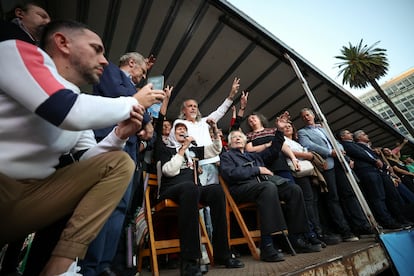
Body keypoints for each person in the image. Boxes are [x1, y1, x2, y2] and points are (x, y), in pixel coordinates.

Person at [0, 20, 165, 275]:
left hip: (30, 198)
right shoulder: (18, 52)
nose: (103, 60)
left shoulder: (77, 99)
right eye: (96, 49)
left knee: (119, 164)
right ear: (62, 42)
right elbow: (63, 109)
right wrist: (131, 102)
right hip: (4, 184)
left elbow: (88, 160)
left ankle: (61, 266)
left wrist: (119, 135)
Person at [155, 88, 244, 275]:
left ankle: (222, 254)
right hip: (171, 189)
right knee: (190, 187)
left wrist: (214, 131)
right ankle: (189, 261)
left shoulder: (193, 150)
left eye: (184, 130)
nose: (181, 131)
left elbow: (215, 150)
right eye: (178, 129)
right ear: (172, 134)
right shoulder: (165, 148)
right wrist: (182, 149)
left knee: (216, 191)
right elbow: (169, 171)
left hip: (191, 190)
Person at [81, 52, 152, 276]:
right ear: (132, 63)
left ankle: (105, 265)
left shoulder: (133, 86)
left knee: (121, 208)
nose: (142, 77)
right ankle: (89, 267)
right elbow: (124, 100)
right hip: (108, 141)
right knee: (103, 203)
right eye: (142, 70)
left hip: (130, 147)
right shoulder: (110, 71)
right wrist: (146, 113)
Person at [220, 119, 322, 261]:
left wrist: (279, 131)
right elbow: (230, 174)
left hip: (262, 186)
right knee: (268, 187)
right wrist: (257, 169)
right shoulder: (227, 156)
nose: (237, 138)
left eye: (239, 137)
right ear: (230, 144)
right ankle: (267, 245)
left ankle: (297, 238)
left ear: (244, 141)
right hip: (241, 188)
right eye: (234, 138)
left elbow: (274, 150)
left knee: (294, 189)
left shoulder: (253, 156)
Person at [297, 108, 367, 242]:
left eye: (308, 114)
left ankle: (362, 226)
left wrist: (340, 151)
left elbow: (337, 142)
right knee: (332, 198)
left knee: (349, 194)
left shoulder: (323, 128)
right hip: (326, 165)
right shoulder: (302, 132)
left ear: (313, 115)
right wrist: (330, 152)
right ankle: (345, 231)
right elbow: (308, 145)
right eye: (303, 116)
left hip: (340, 163)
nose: (306, 117)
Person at [339, 129, 408, 230]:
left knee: (383, 196)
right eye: (348, 133)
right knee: (377, 198)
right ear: (342, 137)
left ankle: (396, 219)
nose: (351, 134)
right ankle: (387, 221)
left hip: (375, 171)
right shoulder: (346, 144)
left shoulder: (355, 144)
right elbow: (360, 154)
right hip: (367, 171)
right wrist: (374, 160)